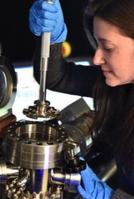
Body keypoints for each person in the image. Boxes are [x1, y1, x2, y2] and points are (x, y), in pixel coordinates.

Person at [29, 0, 134, 198]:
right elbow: (58, 77)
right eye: (97, 44)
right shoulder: (124, 87)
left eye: (108, 47)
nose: (97, 58)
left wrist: (109, 196)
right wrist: (51, 39)